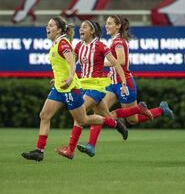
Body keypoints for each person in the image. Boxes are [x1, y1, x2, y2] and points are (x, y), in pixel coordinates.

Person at [21, 16, 123, 162]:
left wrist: (69, 78)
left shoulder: (64, 44)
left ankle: (113, 122)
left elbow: (72, 63)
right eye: (47, 25)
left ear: (59, 30)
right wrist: (57, 79)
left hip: (70, 88)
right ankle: (39, 151)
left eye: (50, 26)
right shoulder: (56, 43)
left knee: (82, 120)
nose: (47, 28)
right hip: (58, 88)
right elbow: (61, 66)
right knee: (44, 115)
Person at [76, 15, 174, 156]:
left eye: (110, 23)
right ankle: (91, 146)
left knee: (132, 120)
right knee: (100, 113)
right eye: (107, 23)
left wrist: (99, 63)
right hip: (111, 83)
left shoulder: (118, 42)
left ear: (118, 26)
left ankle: (161, 110)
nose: (107, 26)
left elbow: (120, 61)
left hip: (124, 83)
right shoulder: (113, 42)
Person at [55, 20, 153, 159]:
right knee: (106, 115)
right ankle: (119, 122)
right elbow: (70, 64)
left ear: (92, 31)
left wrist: (124, 82)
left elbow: (118, 64)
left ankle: (70, 150)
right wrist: (63, 77)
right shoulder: (78, 46)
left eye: (84, 27)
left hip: (97, 86)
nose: (80, 29)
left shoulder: (101, 46)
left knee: (79, 116)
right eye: (80, 27)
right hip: (84, 85)